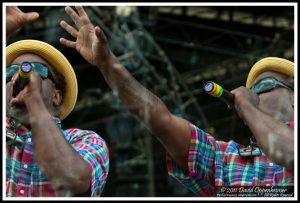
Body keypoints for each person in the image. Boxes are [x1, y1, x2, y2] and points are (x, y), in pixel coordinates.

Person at [59, 6, 294, 196]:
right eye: (251, 90)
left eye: (265, 86)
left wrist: (247, 106)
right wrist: (107, 64)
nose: (253, 93)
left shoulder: (254, 112)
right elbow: (160, 119)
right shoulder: (226, 161)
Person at [6, 6, 109, 197]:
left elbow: (74, 180)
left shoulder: (85, 140)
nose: (17, 76)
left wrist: (34, 102)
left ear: (56, 96)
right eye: (9, 72)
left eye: (36, 70)